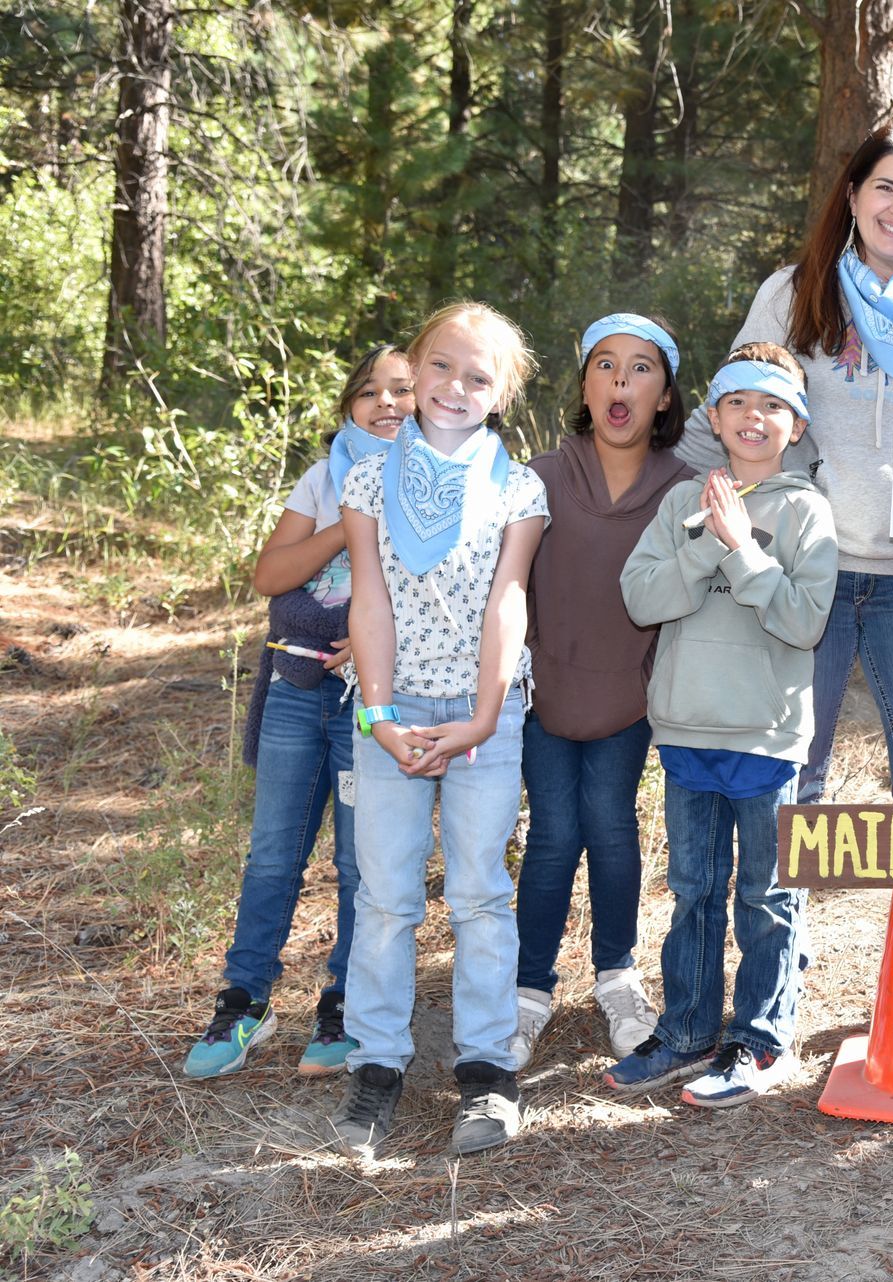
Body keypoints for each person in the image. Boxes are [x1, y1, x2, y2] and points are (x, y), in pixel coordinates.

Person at [676, 122, 893, 807]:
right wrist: (646, 494)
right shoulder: (791, 296)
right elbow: (730, 413)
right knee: (792, 786)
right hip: (807, 571)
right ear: (852, 196)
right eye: (884, 187)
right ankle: (781, 916)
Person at [328, 301, 546, 1159]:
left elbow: (509, 600)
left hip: (483, 713)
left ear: (501, 395)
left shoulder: (516, 487)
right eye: (443, 367)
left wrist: (484, 717)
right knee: (384, 896)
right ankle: (376, 1067)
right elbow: (369, 595)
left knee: (481, 894)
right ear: (414, 372)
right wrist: (379, 716)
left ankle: (487, 1074)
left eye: (480, 377)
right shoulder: (369, 478)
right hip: (390, 712)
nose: (457, 387)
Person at [608, 344, 836, 1107]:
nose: (753, 417)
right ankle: (686, 1031)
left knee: (767, 897)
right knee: (694, 889)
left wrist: (743, 551)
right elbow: (642, 601)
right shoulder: (681, 504)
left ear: (796, 425)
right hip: (685, 729)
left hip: (766, 737)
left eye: (772, 406)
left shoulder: (806, 510)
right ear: (714, 416)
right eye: (738, 402)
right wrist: (709, 537)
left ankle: (758, 1038)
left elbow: (804, 622)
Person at [184, 345, 413, 1079]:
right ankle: (243, 1002)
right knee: (274, 855)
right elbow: (271, 575)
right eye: (369, 391)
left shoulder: (439, 483)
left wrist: (381, 646)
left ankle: (342, 1005)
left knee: (359, 861)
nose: (386, 403)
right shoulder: (324, 479)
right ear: (348, 405)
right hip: (295, 690)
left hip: (369, 700)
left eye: (403, 390)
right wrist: (348, 522)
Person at [509, 314, 695, 1070]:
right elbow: (503, 583)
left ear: (664, 396)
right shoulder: (539, 477)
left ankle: (618, 978)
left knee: (612, 828)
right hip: (543, 688)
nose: (622, 381)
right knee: (553, 833)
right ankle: (526, 994)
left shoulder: (683, 488)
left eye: (641, 369)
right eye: (607, 366)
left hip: (630, 695)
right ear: (586, 385)